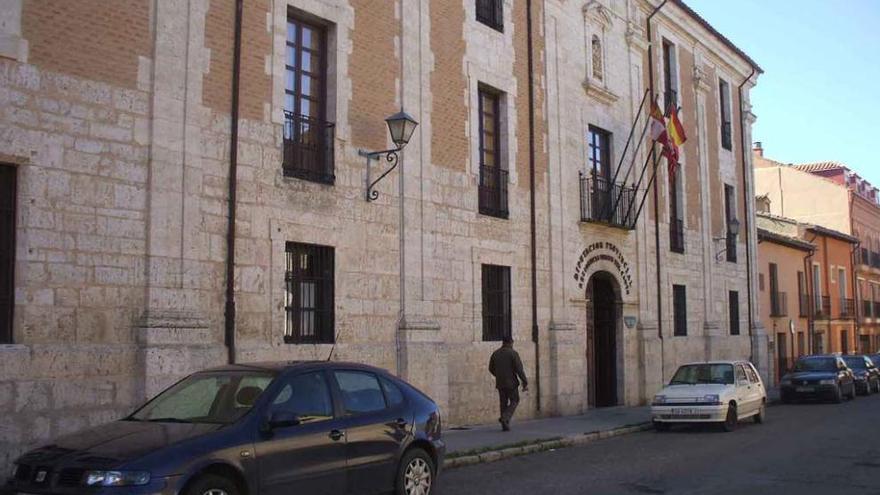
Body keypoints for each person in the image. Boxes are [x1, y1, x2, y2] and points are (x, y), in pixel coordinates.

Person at [488, 336, 528, 431]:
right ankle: (505, 418)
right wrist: (525, 381)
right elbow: (519, 369)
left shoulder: (495, 353)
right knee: (515, 400)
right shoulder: (513, 353)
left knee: (503, 403)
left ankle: (505, 425)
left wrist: (498, 375)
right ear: (510, 342)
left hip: (500, 382)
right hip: (511, 382)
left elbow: (491, 368)